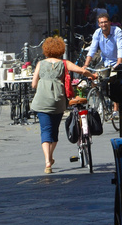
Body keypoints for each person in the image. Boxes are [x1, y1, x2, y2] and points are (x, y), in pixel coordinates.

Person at [30, 37, 93, 173]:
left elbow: (34, 84)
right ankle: (50, 156)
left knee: (45, 130)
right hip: (58, 101)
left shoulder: (40, 64)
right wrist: (92, 76)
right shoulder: (64, 63)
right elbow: (81, 71)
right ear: (60, 49)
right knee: (54, 130)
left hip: (42, 101)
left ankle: (48, 161)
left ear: (45, 49)